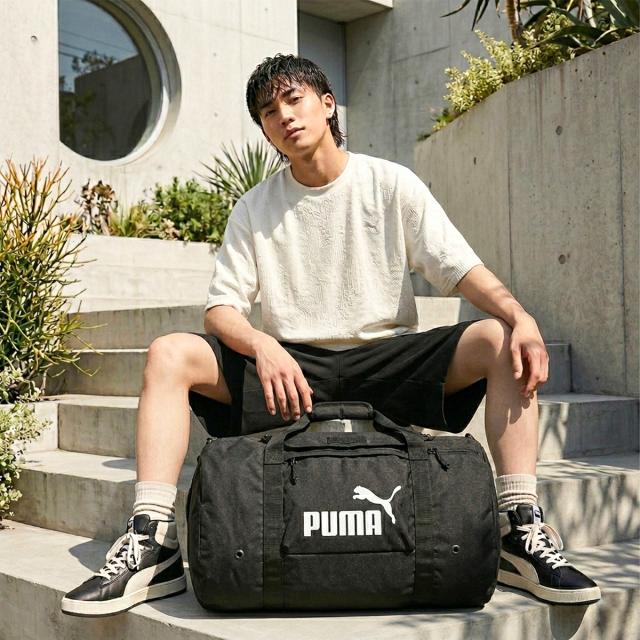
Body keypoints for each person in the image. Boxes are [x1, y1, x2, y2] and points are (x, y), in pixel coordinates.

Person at [61, 53, 600, 617]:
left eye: (293, 100)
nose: (284, 116)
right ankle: (154, 540)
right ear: (264, 130)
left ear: (327, 104)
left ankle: (518, 528)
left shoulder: (388, 182)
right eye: (269, 112)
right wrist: (263, 344)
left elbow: (459, 268)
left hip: (387, 363)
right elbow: (221, 310)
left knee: (500, 338)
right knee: (170, 353)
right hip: (293, 373)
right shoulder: (254, 207)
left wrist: (520, 315)